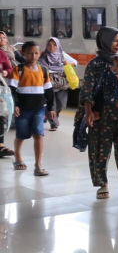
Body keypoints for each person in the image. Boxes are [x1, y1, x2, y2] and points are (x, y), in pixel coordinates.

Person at [77, 27, 118, 200]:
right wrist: (89, 111)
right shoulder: (96, 64)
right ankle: (102, 185)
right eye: (115, 40)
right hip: (103, 113)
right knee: (101, 149)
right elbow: (87, 89)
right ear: (105, 41)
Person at [9, 41, 55, 177]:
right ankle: (17, 158)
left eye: (36, 53)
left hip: (38, 109)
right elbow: (12, 90)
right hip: (22, 109)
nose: (33, 56)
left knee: (38, 134)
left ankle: (38, 165)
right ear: (23, 53)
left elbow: (49, 91)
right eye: (30, 53)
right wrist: (15, 105)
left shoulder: (43, 71)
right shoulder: (19, 70)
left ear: (39, 53)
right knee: (21, 135)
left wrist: (51, 107)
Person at [40, 37, 78, 131]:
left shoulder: (62, 55)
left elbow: (75, 62)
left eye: (54, 45)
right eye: (49, 45)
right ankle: (53, 124)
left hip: (61, 83)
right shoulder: (43, 56)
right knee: (50, 104)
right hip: (48, 84)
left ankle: (55, 116)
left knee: (62, 104)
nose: (51, 47)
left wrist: (68, 63)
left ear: (57, 46)